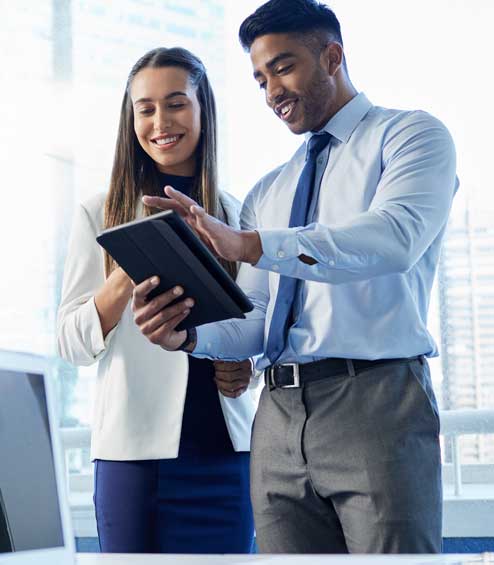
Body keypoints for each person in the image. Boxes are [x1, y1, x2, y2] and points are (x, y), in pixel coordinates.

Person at [131, 0, 459, 555]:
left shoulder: (409, 137)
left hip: (376, 401)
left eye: (283, 67)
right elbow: (257, 319)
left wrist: (253, 245)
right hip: (278, 418)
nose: (271, 91)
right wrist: (189, 336)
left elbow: (392, 239)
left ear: (332, 56)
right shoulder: (269, 191)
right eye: (260, 79)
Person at [57, 47, 257, 554]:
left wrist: (246, 364)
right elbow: (70, 344)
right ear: (131, 120)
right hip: (133, 459)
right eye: (145, 108)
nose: (160, 121)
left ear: (202, 109)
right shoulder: (98, 213)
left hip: (225, 454)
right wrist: (124, 274)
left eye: (176, 104)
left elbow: (256, 325)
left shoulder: (237, 214)